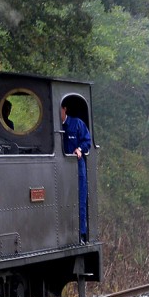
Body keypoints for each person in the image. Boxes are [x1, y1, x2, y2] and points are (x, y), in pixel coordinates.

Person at [61, 103, 91, 241]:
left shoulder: (77, 123)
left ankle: (81, 234)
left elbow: (87, 141)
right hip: (61, 168)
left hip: (77, 167)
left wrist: (80, 148)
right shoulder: (56, 126)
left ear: (64, 109)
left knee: (80, 199)